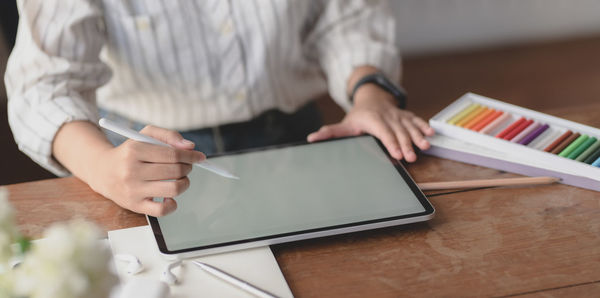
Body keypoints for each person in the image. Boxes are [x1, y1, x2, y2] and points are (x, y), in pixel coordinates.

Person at [6, 0, 434, 216]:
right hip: (143, 158)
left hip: (297, 135)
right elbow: (41, 86)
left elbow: (344, 15)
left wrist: (370, 95)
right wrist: (101, 166)